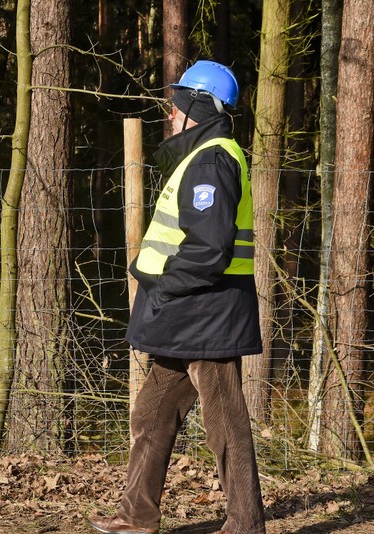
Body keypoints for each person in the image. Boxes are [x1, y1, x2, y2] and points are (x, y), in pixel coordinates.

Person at [88, 60, 266, 534]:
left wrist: (165, 287)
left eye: (178, 103)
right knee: (151, 412)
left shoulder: (212, 158)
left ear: (198, 107)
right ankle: (136, 516)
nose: (170, 112)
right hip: (189, 312)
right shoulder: (201, 154)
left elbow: (208, 247)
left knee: (225, 422)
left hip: (205, 311)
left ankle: (245, 525)